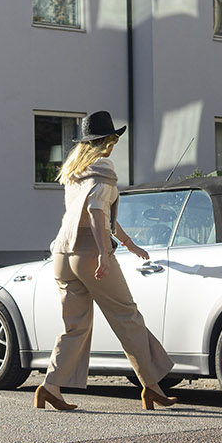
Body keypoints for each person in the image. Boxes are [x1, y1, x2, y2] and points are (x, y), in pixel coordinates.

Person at [35, 111, 179, 412]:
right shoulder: (103, 169)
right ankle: (151, 386)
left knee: (75, 327)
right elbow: (96, 212)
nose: (114, 145)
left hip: (62, 254)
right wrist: (103, 253)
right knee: (127, 317)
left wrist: (128, 243)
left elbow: (100, 214)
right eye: (113, 140)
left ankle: (50, 387)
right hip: (89, 252)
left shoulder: (74, 172)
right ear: (106, 141)